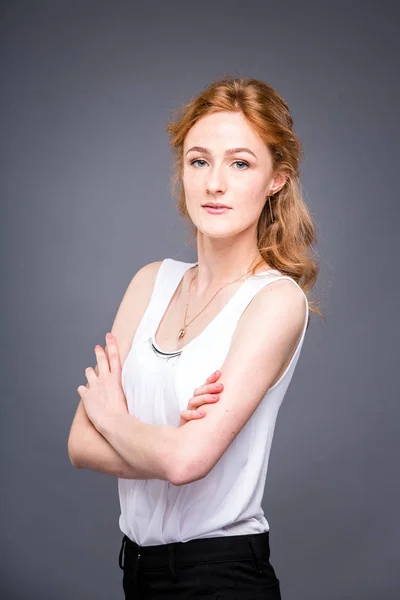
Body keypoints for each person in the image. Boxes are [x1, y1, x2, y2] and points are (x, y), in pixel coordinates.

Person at [68, 76, 323, 599]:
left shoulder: (275, 301)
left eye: (241, 163)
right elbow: (78, 444)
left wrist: (115, 420)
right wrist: (170, 443)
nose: (214, 184)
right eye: (199, 160)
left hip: (220, 576)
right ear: (182, 169)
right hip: (136, 571)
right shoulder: (149, 281)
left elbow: (187, 463)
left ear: (276, 179)